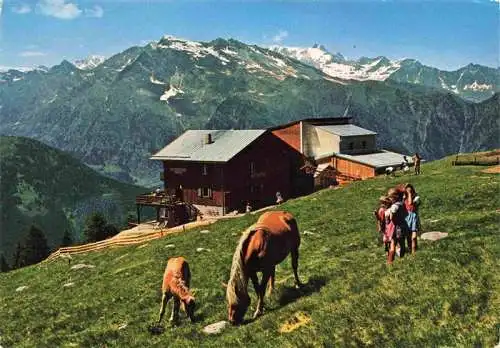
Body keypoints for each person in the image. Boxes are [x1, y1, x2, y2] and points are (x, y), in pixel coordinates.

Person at [384, 187, 409, 264]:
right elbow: (406, 214)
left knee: (393, 244)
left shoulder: (395, 206)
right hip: (403, 225)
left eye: (390, 198)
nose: (390, 199)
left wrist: (388, 215)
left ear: (395, 197)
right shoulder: (402, 204)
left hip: (396, 228)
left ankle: (390, 261)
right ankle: (402, 258)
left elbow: (391, 217)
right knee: (402, 243)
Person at [404, 184, 421, 255]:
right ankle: (411, 249)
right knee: (408, 235)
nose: (409, 192)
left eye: (410, 190)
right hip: (406, 217)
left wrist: (409, 194)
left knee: (413, 236)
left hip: (414, 217)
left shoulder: (416, 197)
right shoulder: (404, 198)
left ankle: (414, 252)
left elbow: (410, 203)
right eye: (407, 190)